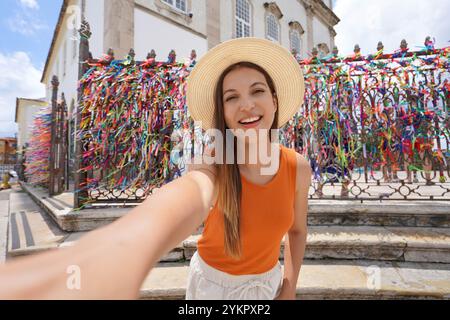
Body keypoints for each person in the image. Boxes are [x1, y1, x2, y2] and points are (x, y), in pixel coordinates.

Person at [0, 38, 311, 300]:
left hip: (269, 287)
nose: (246, 105)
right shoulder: (215, 160)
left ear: (274, 99)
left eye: (257, 91)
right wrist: (124, 245)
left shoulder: (297, 167)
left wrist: (289, 287)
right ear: (223, 114)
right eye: (232, 97)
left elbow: (296, 231)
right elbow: (190, 193)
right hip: (213, 290)